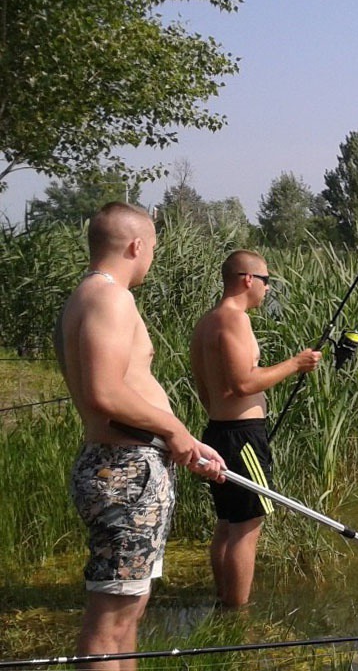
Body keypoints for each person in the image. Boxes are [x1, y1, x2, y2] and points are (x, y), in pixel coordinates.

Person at [54, 201, 226, 667]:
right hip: (125, 475)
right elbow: (105, 393)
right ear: (136, 245)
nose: (151, 258)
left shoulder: (85, 295)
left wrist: (177, 440)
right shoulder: (111, 297)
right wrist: (175, 428)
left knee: (126, 616)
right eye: (152, 248)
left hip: (129, 466)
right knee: (109, 624)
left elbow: (114, 392)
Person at [189, 250, 321, 609]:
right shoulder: (234, 320)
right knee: (247, 527)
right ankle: (237, 612)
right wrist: (296, 364)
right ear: (248, 279)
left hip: (217, 430)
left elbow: (206, 388)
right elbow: (243, 383)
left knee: (227, 522)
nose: (267, 289)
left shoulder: (206, 322)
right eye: (266, 281)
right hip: (241, 436)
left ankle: (223, 599)